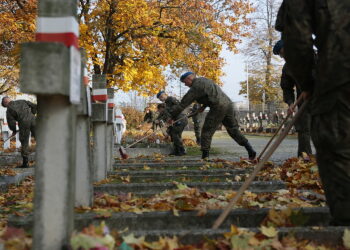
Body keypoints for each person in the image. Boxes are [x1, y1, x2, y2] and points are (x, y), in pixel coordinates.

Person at [276, 0, 350, 226]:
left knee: (338, 145)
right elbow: (286, 87)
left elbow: (298, 40)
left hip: (340, 75)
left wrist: (309, 83)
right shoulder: (284, 70)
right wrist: (292, 99)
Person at [170, 72, 256, 160]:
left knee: (207, 130)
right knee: (233, 129)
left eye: (185, 82)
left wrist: (172, 117)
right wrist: (204, 106)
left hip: (217, 107)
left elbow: (182, 104)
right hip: (228, 104)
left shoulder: (195, 87)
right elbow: (212, 94)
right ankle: (250, 150)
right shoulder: (204, 80)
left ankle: (205, 157)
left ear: (189, 78)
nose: (185, 85)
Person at [273, 39, 312, 157]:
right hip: (303, 100)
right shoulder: (287, 68)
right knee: (303, 128)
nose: (282, 56)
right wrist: (290, 103)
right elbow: (287, 87)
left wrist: (310, 87)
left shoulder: (310, 56)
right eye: (281, 55)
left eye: (283, 53)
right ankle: (304, 158)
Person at [2, 97, 36, 168]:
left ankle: (25, 163)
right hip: (34, 120)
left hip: (24, 124)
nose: (6, 107)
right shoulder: (22, 101)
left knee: (24, 142)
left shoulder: (9, 110)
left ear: (5, 102)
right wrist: (32, 113)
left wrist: (14, 130)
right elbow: (34, 105)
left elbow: (11, 122)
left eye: (5, 106)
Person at [156, 91, 188, 156]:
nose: (161, 99)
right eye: (160, 98)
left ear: (165, 95)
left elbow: (179, 107)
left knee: (175, 134)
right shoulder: (166, 103)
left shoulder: (171, 99)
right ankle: (177, 150)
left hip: (181, 118)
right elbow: (166, 114)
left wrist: (172, 117)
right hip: (176, 119)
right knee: (174, 134)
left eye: (161, 97)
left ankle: (181, 150)